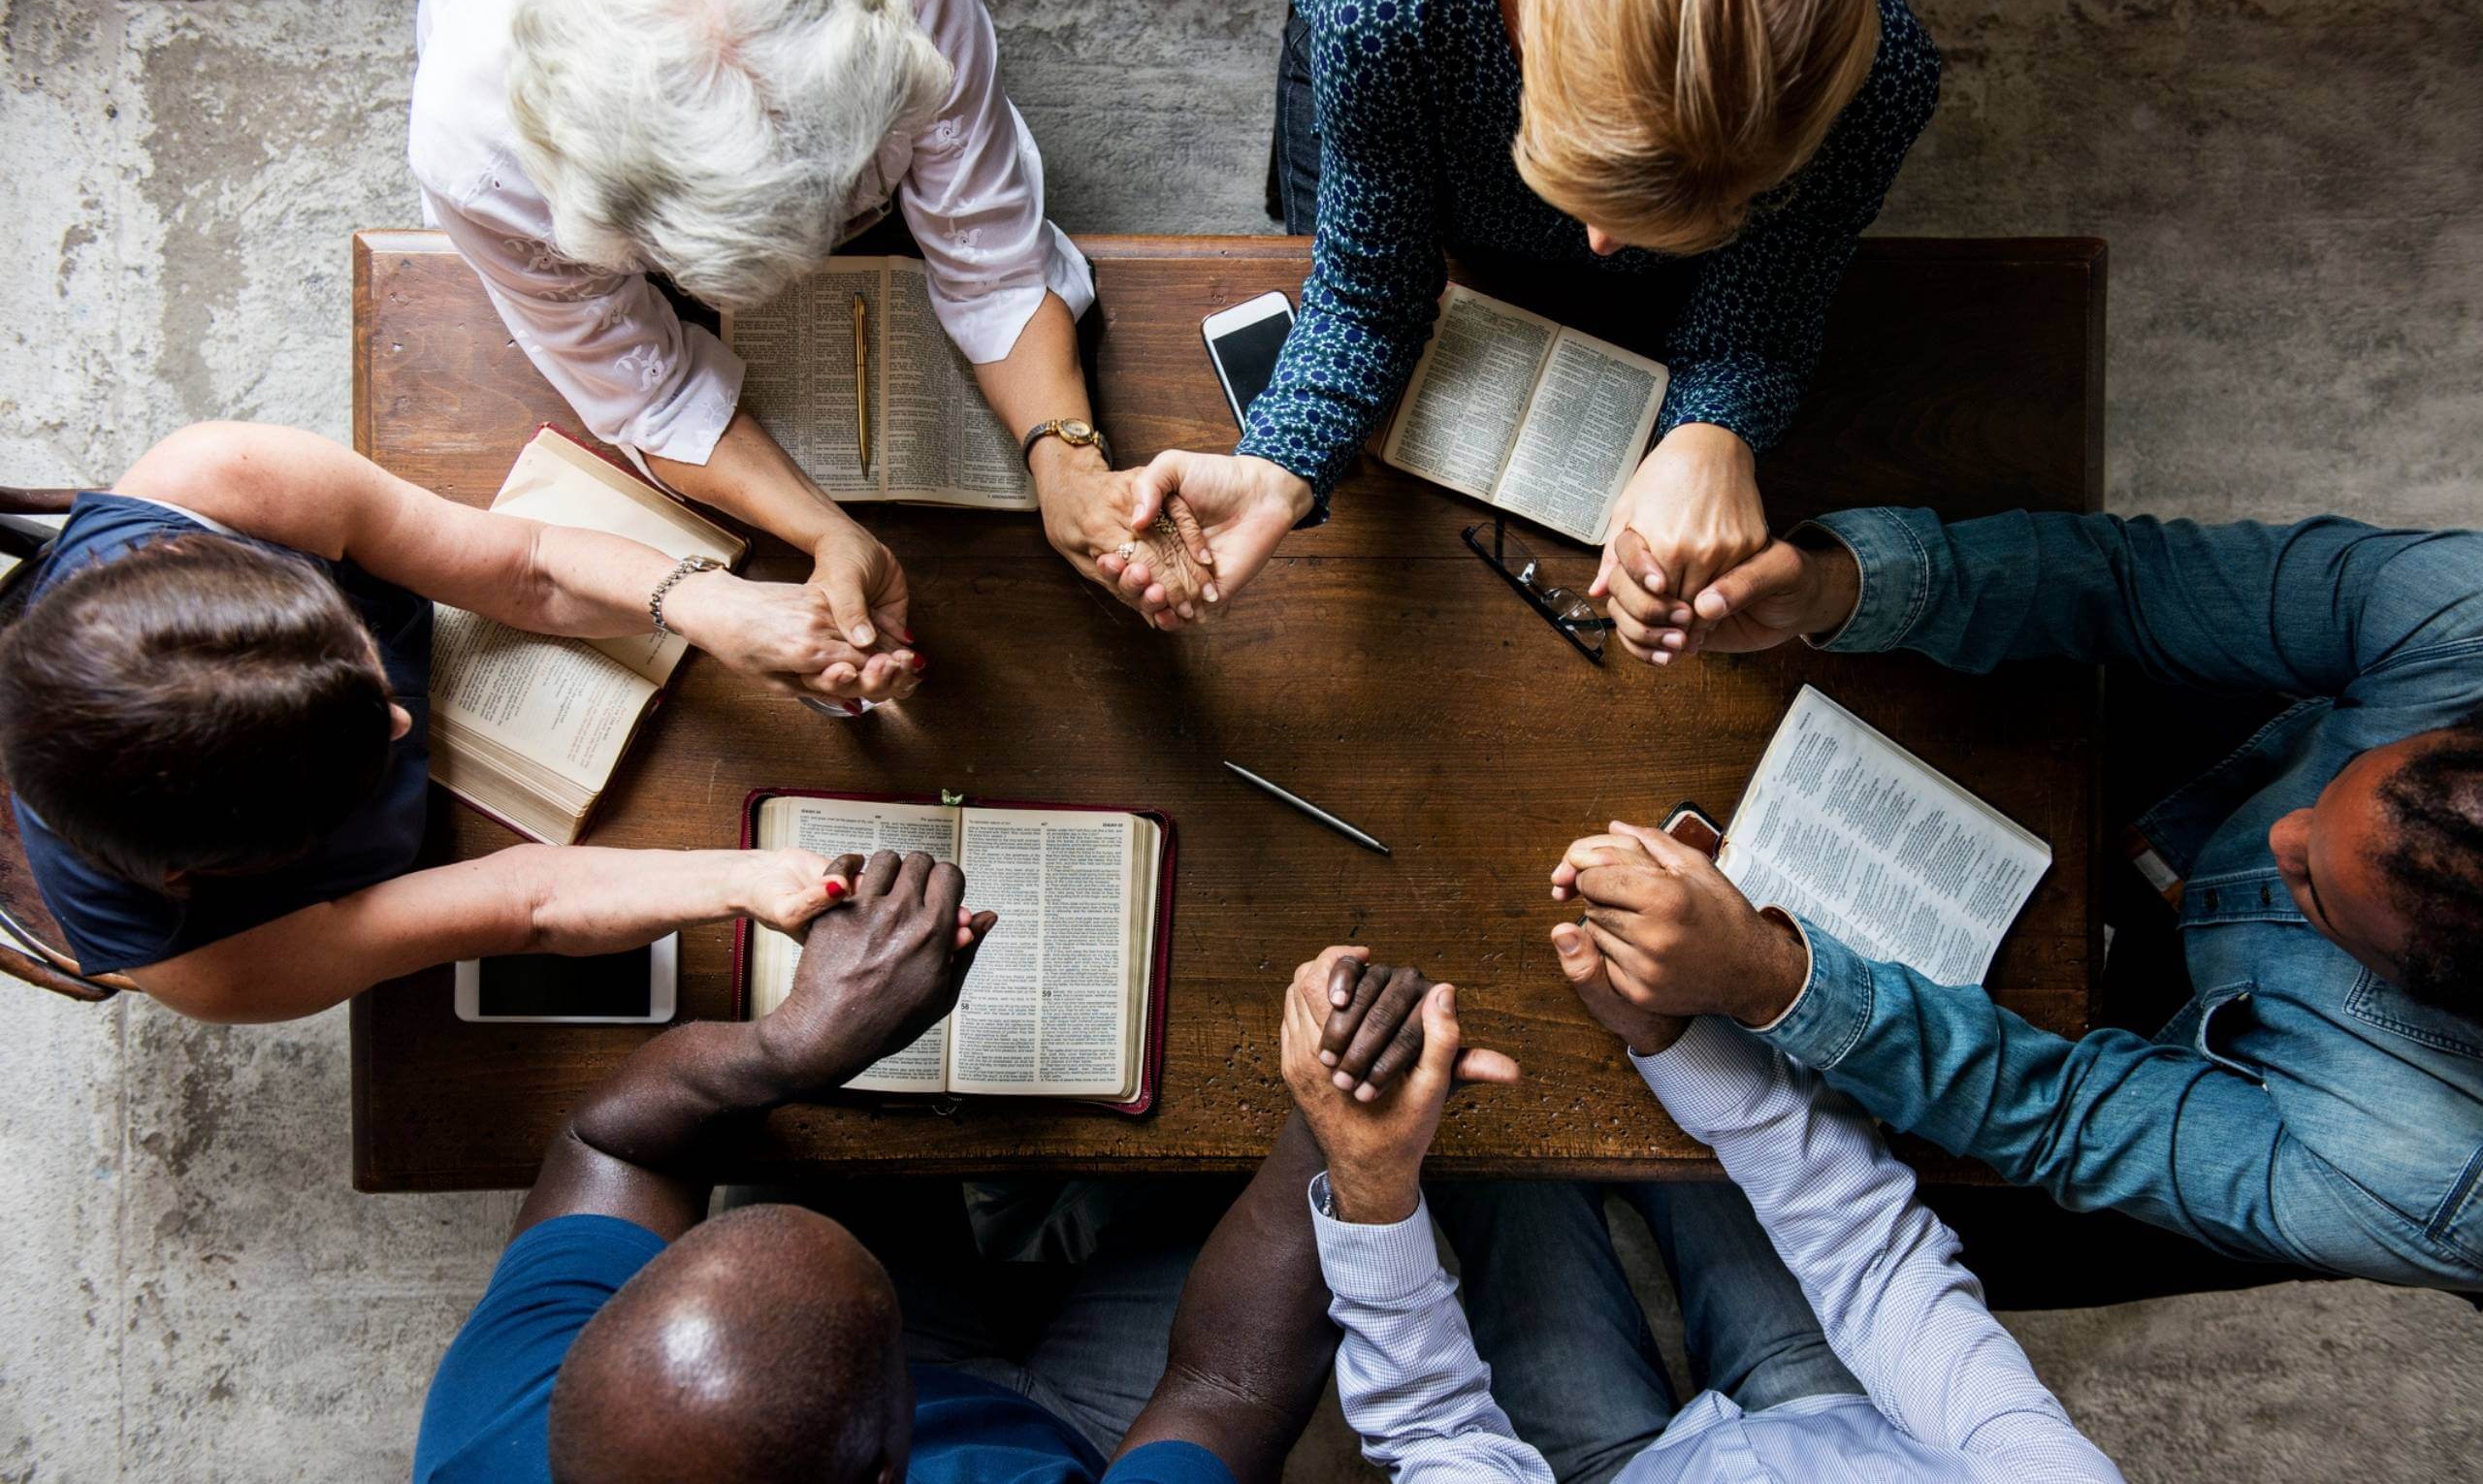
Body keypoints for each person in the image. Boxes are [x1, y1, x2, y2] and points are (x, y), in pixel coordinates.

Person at [1554, 507, 2483, 1291]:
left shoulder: (2425, 1177)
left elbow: (2063, 1116)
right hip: (2216, 766)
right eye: (2339, 780)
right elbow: (2133, 579)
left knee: (1933, 1231)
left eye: (2316, 888)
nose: (2284, 835)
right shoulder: (2465, 621)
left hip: (2262, 1098)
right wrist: (1839, 583)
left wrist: (1769, 978)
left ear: (2417, 987)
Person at [416, 849, 1342, 1484]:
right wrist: (1336, 1121)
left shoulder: (497, 1430)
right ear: (888, 1468)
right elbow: (1226, 1387)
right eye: (895, 1352)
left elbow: (610, 1145)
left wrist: (792, 1047)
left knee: (825, 1132)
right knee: (1233, 1172)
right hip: (1099, 1437)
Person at [1112, 0, 1939, 648]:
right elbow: (1369, 293)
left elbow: (1770, 302)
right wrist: (1278, 465)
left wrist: (1714, 431)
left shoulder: (1883, 77)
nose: (1602, 249)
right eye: (1590, 182)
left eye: (1707, 209)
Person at [409, 0, 1208, 657]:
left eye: (861, 197)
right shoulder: (475, 158)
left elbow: (992, 259)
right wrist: (828, 532)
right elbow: (652, 394)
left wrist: (1067, 463)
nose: (842, 235)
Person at [0, 423, 887, 1023]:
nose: (396, 718)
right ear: (206, 868)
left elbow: (529, 565)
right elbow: (526, 903)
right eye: (350, 765)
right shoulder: (211, 963)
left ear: (206, 557)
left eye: (356, 657)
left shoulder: (214, 484)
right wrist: (750, 880)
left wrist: (704, 602)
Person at [1281, 940, 2122, 1483]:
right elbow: (1881, 1265)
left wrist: (1374, 1184)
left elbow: (1437, 1430)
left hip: (1602, 1470)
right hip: (1838, 1406)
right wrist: (1674, 1036)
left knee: (1485, 1128)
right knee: (1683, 1077)